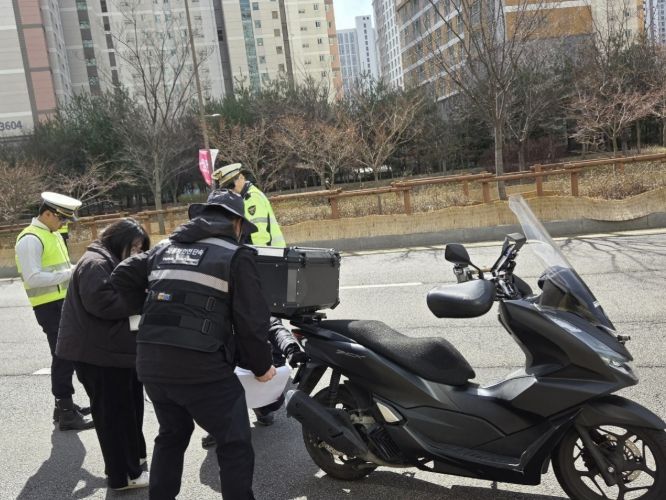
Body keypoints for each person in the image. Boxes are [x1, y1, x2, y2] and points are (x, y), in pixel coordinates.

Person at [110, 189, 277, 500]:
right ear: (237, 223)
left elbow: (120, 275)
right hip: (201, 368)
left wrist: (150, 310)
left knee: (172, 434)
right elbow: (252, 322)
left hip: (152, 361)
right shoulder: (235, 255)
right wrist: (262, 366)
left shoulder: (164, 248)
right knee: (234, 441)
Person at [56, 218, 150, 491]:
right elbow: (104, 304)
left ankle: (134, 460)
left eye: (140, 248)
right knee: (114, 416)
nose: (136, 253)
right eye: (134, 247)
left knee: (128, 409)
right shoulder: (95, 264)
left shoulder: (106, 260)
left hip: (111, 351)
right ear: (118, 241)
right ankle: (123, 475)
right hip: (99, 356)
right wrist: (143, 298)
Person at [210, 163, 306, 428]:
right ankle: (260, 398)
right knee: (254, 328)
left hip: (263, 269)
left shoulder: (252, 200)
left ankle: (267, 398)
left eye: (231, 186)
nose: (230, 191)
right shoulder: (237, 200)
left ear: (240, 179)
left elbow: (256, 243)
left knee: (261, 326)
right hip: (254, 268)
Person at [14, 192, 93, 431]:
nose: (64, 223)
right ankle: (66, 411)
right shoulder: (30, 239)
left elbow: (59, 268)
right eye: (62, 218)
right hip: (49, 306)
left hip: (63, 303)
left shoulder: (51, 233)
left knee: (65, 354)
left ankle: (63, 407)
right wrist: (70, 273)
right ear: (48, 214)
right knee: (64, 356)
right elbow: (33, 277)